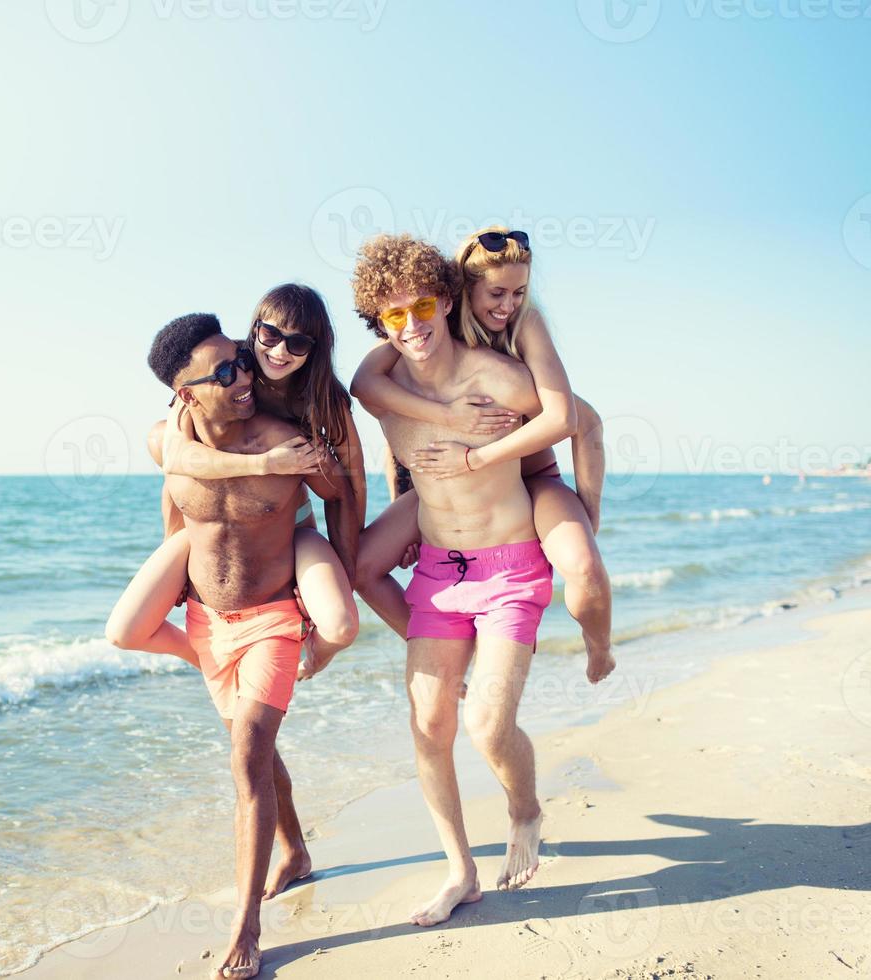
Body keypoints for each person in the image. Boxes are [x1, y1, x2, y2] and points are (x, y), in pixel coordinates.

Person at [139, 312, 358, 979]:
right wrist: (178, 588)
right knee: (255, 749)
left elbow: (339, 495)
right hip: (211, 622)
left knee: (246, 756)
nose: (245, 375)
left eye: (241, 358)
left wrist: (326, 469)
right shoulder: (172, 440)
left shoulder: (285, 434)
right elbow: (175, 503)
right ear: (187, 394)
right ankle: (293, 851)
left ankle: (246, 927)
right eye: (226, 370)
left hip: (272, 616)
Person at [351, 233, 550, 927]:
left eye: (424, 305)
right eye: (394, 315)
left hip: (510, 569)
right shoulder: (385, 393)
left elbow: (573, 420)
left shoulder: (497, 378)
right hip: (438, 571)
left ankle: (525, 809)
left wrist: (582, 518)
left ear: (445, 298)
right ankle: (459, 871)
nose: (413, 325)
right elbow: (381, 424)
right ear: (380, 323)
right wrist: (404, 502)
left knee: (488, 725)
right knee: (430, 723)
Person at [351, 227, 614, 684]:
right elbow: (378, 402)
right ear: (462, 291)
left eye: (518, 292)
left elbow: (577, 420)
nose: (507, 305)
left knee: (585, 567)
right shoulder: (420, 326)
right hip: (454, 481)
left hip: (532, 476)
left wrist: (589, 511)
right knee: (361, 566)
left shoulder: (525, 326)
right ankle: (442, 663)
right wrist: (445, 422)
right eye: (496, 292)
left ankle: (599, 649)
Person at [106, 283, 363, 681]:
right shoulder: (226, 366)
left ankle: (311, 650)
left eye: (298, 344)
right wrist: (266, 464)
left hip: (290, 510)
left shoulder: (323, 396)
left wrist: (347, 574)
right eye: (271, 336)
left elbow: (350, 487)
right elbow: (177, 464)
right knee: (123, 630)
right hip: (249, 489)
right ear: (256, 328)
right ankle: (205, 654)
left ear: (315, 348)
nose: (279, 352)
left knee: (338, 620)